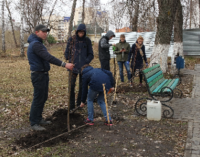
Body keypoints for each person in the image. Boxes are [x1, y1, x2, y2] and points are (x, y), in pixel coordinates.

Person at [27, 24, 74, 131]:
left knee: (43, 97)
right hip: (38, 75)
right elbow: (48, 57)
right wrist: (64, 64)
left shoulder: (38, 43)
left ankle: (38, 118)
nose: (45, 34)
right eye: (43, 32)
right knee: (38, 98)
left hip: (43, 74)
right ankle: (34, 122)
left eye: (46, 32)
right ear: (36, 32)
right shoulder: (35, 44)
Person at [65, 24, 94, 110]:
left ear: (84, 32)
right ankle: (71, 106)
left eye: (82, 32)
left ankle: (79, 105)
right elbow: (67, 52)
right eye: (79, 32)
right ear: (77, 32)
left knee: (82, 86)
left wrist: (86, 62)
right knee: (71, 87)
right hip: (72, 67)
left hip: (83, 68)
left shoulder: (87, 40)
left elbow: (91, 54)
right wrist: (70, 59)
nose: (81, 34)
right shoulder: (71, 40)